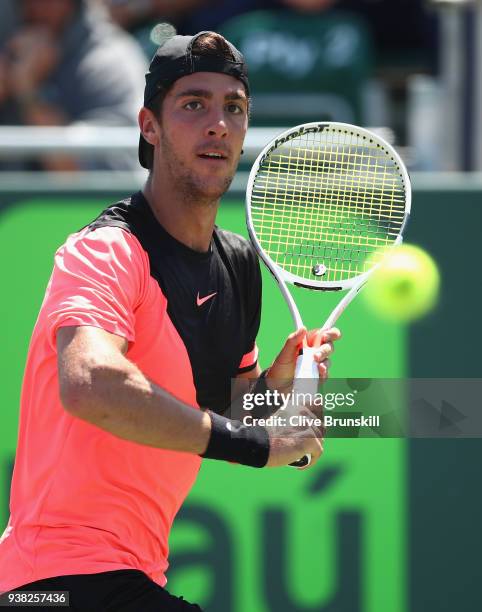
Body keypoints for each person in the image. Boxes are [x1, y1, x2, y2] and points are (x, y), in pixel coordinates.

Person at [0, 28, 341, 610]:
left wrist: (276, 391)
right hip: (52, 583)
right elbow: (91, 384)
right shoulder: (105, 251)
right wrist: (257, 445)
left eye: (234, 108)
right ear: (148, 126)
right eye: (193, 104)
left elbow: (228, 408)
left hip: (132, 575)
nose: (218, 124)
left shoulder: (237, 265)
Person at [0, 0, 147, 171]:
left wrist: (29, 93)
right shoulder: (8, 46)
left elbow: (97, 177)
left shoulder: (111, 61)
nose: (35, 7)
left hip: (73, 198)